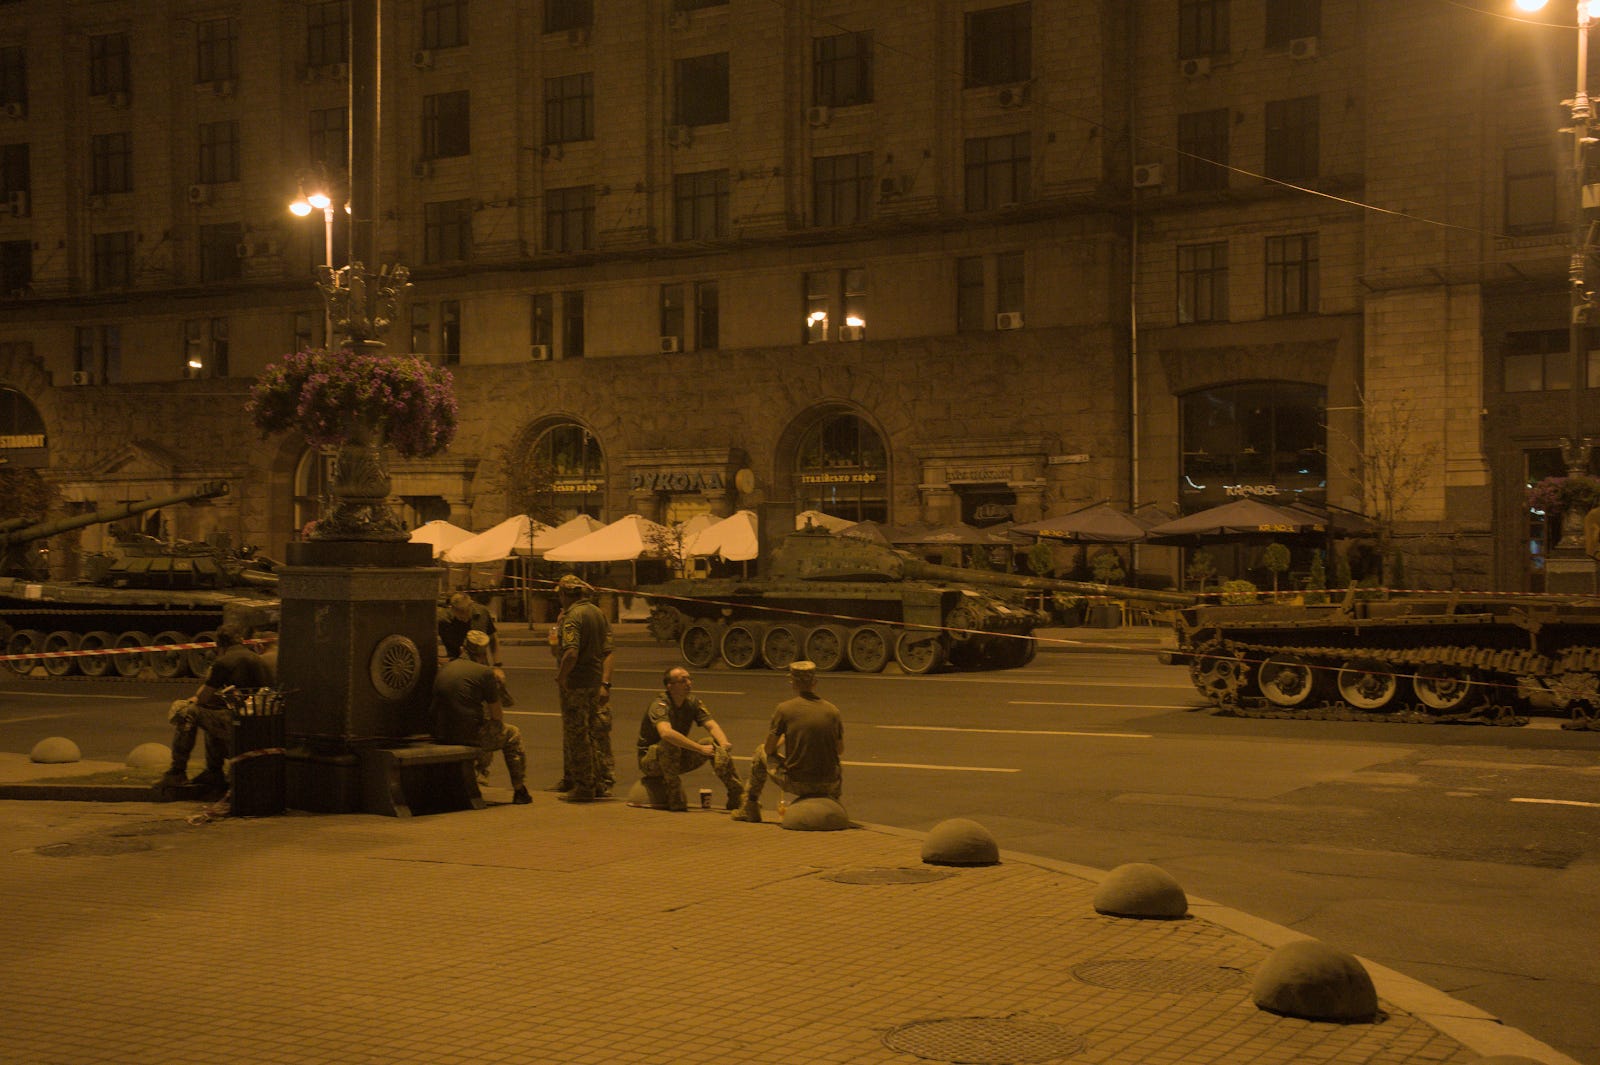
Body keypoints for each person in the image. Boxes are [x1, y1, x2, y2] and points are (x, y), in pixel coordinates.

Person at [161, 622, 273, 794]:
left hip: (236, 723)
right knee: (212, 715)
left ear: (219, 644)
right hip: (258, 721)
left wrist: (194, 699)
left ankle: (177, 771)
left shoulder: (224, 662)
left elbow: (203, 697)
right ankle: (213, 772)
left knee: (186, 712)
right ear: (241, 640)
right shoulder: (257, 659)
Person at [732, 660, 843, 823]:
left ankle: (749, 807)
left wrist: (784, 737)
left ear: (793, 683)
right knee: (836, 763)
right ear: (815, 682)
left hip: (798, 782)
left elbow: (769, 750)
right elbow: (839, 749)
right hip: (829, 783)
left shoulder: (784, 709)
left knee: (759, 751)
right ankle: (834, 802)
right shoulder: (833, 711)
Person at [433, 629, 531, 804]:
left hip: (440, 732)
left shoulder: (446, 668)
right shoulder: (484, 673)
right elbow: (497, 715)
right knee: (511, 734)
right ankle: (520, 790)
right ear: (483, 653)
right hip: (467, 736)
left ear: (463, 648)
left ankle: (478, 775)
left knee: (484, 726)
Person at [635, 667, 745, 812]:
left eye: (689, 679)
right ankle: (674, 796)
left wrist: (723, 744)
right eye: (682, 680)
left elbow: (711, 725)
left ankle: (737, 794)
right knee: (670, 742)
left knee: (713, 743)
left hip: (676, 757)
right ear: (670, 686)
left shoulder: (693, 702)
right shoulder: (660, 705)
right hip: (651, 762)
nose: (688, 683)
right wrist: (699, 748)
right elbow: (666, 733)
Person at [553, 574, 614, 802]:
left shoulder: (572, 616)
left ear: (565, 594)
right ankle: (597, 781)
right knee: (592, 733)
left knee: (577, 735)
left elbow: (571, 652)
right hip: (593, 681)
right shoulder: (598, 613)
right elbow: (608, 649)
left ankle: (584, 786)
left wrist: (561, 677)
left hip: (576, 683)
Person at [438, 591, 500, 664]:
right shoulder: (444, 621)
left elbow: (493, 638)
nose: (464, 617)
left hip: (481, 663)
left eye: (467, 611)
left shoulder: (482, 613)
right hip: (457, 664)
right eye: (460, 613)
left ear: (471, 605)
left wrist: (497, 664)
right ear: (452, 609)